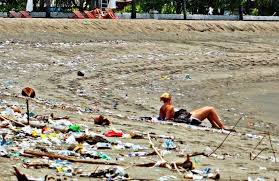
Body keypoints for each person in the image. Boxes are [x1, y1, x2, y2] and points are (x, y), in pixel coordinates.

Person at [159, 92, 225, 129]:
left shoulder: (162, 107)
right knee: (210, 109)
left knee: (207, 109)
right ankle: (222, 127)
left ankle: (214, 125)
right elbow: (167, 120)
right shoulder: (170, 107)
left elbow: (161, 118)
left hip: (183, 117)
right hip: (186, 120)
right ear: (170, 99)